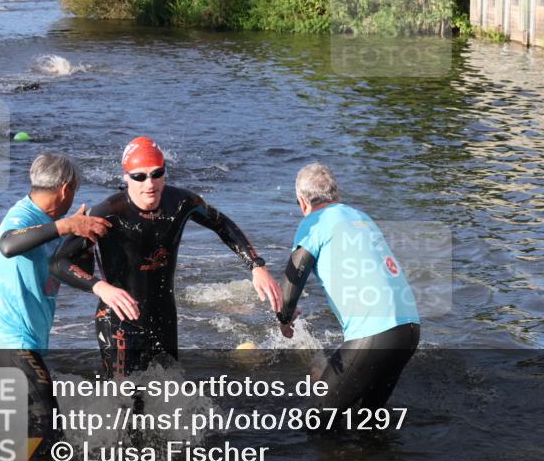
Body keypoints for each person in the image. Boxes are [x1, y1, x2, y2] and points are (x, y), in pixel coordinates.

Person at [52, 136, 283, 378]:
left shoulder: (181, 202)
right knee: (126, 403)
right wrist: (100, 288)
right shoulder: (107, 213)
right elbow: (58, 263)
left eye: (156, 173)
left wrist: (256, 266)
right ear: (126, 177)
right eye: (139, 176)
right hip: (119, 321)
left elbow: (222, 224)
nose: (149, 184)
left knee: (168, 395)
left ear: (165, 173)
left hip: (164, 317)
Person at [0, 154, 115, 459]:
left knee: (40, 430)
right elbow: (8, 245)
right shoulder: (23, 216)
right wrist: (66, 225)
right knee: (46, 427)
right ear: (66, 189)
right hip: (11, 343)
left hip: (25, 344)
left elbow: (63, 270)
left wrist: (80, 240)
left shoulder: (48, 223)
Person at [275, 163, 420, 413]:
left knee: (318, 420)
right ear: (337, 194)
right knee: (368, 423)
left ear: (302, 202)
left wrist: (284, 318)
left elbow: (293, 278)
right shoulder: (360, 217)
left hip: (375, 334)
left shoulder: (314, 222)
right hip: (409, 330)